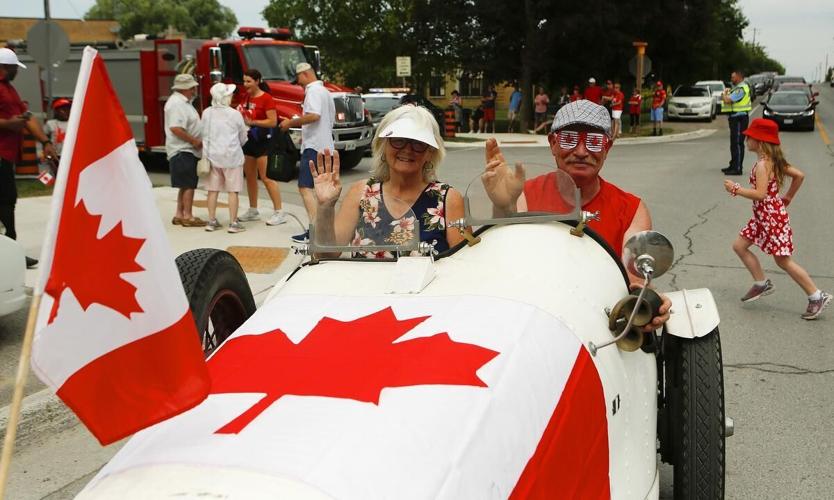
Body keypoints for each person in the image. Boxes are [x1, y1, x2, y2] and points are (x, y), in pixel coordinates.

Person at [481, 99, 670, 329]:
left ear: (607, 148)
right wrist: (503, 205)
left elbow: (634, 284)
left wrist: (646, 302)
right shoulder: (525, 195)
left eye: (593, 141)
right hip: (531, 318)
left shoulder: (631, 209)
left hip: (601, 326)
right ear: (552, 144)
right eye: (569, 139)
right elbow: (502, 260)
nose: (581, 152)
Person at [309, 105, 465, 257]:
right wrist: (325, 206)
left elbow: (463, 267)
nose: (407, 149)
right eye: (398, 140)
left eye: (418, 144)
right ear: (383, 145)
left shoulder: (448, 199)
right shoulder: (361, 193)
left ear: (430, 153)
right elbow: (326, 253)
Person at [723, 118, 830, 319]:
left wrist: (735, 189)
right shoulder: (773, 161)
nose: (746, 140)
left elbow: (760, 194)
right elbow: (799, 175)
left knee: (783, 261)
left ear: (760, 141)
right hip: (763, 217)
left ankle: (816, 295)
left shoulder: (763, 165)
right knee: (739, 245)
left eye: (749, 137)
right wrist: (788, 196)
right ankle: (761, 283)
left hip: (771, 218)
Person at [0, 48, 56, 268]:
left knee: (6, 203)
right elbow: (15, 121)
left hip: (6, 156)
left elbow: (26, 118)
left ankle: (9, 252)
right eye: (15, 68)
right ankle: (8, 256)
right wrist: (8, 124)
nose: (17, 72)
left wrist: (45, 141)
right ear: (6, 67)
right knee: (5, 202)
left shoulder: (9, 90)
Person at [279, 62, 335, 243]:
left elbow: (313, 115)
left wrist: (290, 123)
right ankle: (325, 231)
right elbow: (327, 119)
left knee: (305, 188)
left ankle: (314, 232)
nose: (300, 85)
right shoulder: (326, 92)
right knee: (323, 192)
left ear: (304, 75)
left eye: (300, 81)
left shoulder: (313, 91)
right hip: (327, 145)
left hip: (314, 147)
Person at [237, 69, 288, 228]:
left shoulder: (266, 98)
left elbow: (272, 122)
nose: (246, 85)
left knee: (266, 177)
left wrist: (253, 122)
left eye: (249, 81)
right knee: (250, 176)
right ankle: (253, 210)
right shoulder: (245, 97)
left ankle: (279, 211)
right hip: (249, 141)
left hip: (264, 142)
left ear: (257, 81)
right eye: (244, 81)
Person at [202, 83, 248, 233]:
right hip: (232, 157)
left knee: (212, 190)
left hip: (212, 156)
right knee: (232, 191)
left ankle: (211, 221)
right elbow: (243, 136)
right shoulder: (234, 114)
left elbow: (203, 133)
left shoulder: (207, 113)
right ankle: (233, 223)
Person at [164, 73, 205, 227]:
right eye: (193, 87)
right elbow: (175, 128)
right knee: (189, 184)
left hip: (184, 150)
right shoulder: (177, 104)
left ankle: (179, 214)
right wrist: (194, 141)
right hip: (183, 149)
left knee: (184, 183)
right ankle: (188, 215)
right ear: (186, 88)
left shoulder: (182, 102)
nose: (195, 89)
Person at [720, 70, 752, 176]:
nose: (731, 79)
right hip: (735, 118)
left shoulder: (741, 89)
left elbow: (728, 100)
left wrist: (723, 94)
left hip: (739, 118)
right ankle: (733, 165)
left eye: (733, 77)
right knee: (733, 144)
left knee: (738, 143)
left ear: (739, 77)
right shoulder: (737, 88)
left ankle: (737, 168)